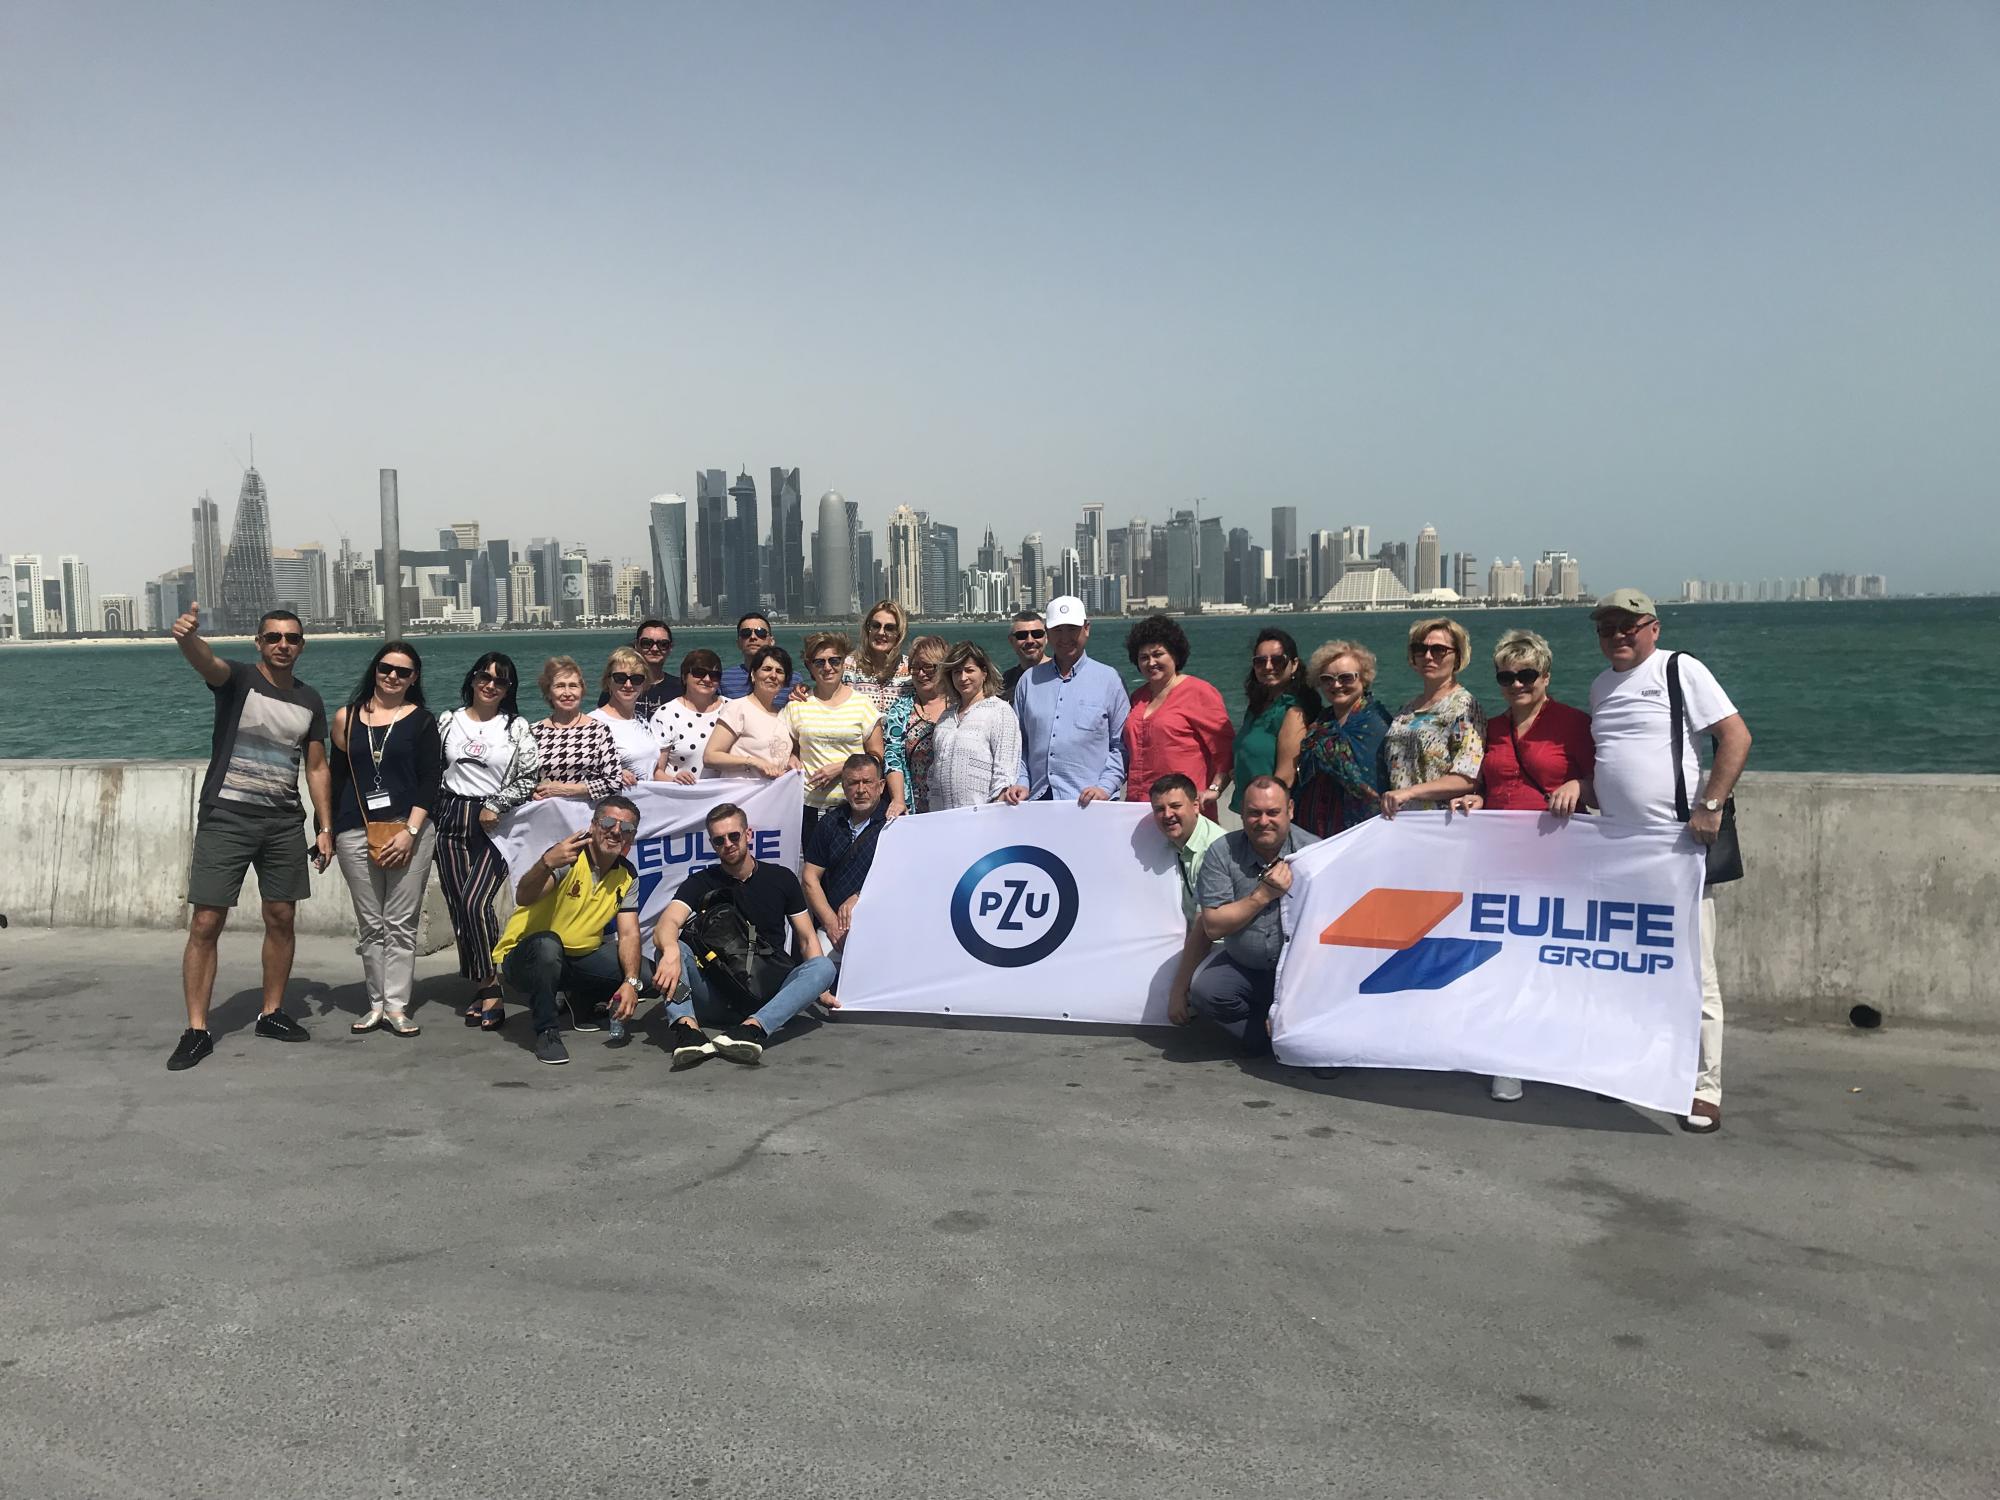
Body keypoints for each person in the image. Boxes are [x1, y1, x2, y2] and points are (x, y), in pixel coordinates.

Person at [1586, 588, 1752, 1135]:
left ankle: (1704, 1088)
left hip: (1677, 847)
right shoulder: (1600, 687)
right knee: (1627, 964)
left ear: (1652, 628)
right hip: (1621, 848)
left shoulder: (1680, 669)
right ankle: (1632, 1065)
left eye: (1628, 626)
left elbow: (1735, 736)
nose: (1618, 635)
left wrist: (1711, 805)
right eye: (1607, 627)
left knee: (1696, 970)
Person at [166, 603, 334, 1072]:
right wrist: (187, 638)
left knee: (281, 916)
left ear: (302, 646)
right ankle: (197, 1029)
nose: (283, 644)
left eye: (292, 638)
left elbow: (316, 766)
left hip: (283, 822)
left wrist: (324, 827)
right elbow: (207, 662)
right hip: (227, 816)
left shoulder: (309, 700)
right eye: (273, 637)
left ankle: (272, 1013)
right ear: (259, 643)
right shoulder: (239, 680)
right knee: (206, 921)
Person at [1447, 629, 1596, 1103]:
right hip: (1499, 861)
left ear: (1545, 676)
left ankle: (1572, 1050)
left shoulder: (1573, 724)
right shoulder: (1490, 728)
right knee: (1505, 958)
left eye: (1527, 675)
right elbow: (1486, 784)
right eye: (1507, 677)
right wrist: (1476, 797)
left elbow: (1605, 783)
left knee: (1553, 959)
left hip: (1556, 859)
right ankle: (1508, 1056)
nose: (1517, 685)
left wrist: (1579, 786)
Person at [648, 802, 840, 1069]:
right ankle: (687, 1031)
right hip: (716, 995)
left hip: (770, 992)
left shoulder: (782, 878)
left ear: (748, 834)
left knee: (823, 967)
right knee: (669, 948)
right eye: (719, 840)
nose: (728, 844)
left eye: (734, 836)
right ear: (712, 844)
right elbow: (667, 922)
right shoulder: (701, 882)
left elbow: (807, 938)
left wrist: (819, 988)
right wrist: (670, 951)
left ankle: (753, 1029)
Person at [330, 641, 442, 1038]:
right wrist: (327, 830)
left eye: (403, 671)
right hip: (355, 830)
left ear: (414, 678)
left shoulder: (422, 721)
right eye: (386, 668)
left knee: (399, 921)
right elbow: (336, 777)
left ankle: (396, 1005)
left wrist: (410, 831)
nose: (393, 676)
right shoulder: (346, 718)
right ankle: (375, 1003)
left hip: (408, 830)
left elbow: (430, 780)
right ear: (375, 670)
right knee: (370, 923)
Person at [491, 795, 647, 1067]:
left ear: (631, 837)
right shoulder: (568, 857)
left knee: (647, 974)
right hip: (527, 959)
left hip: (577, 960)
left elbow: (630, 934)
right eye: (608, 823)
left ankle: (582, 1002)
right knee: (548, 945)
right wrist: (546, 863)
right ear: (593, 825)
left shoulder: (627, 874)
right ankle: (547, 1032)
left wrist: (631, 982)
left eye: (625, 828)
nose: (615, 831)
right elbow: (524, 897)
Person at [1166, 776, 1317, 1055]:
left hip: (1301, 973)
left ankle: (1294, 1032)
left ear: (1290, 810)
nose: (1263, 821)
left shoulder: (1314, 852)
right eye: (1254, 813)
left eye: (1273, 812)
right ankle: (1269, 1036)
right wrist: (1262, 895)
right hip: (1245, 967)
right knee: (1206, 991)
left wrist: (1292, 997)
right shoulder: (1222, 851)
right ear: (1242, 814)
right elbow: (1213, 926)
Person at [436, 652, 541, 1029]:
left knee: (475, 902)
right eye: (484, 676)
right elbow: (431, 769)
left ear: (509, 689)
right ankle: (484, 985)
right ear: (473, 678)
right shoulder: (448, 721)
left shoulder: (516, 727)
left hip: (494, 822)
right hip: (450, 816)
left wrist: (497, 803)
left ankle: (492, 987)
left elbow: (530, 776)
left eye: (500, 680)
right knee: (459, 908)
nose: (490, 684)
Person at [1002, 595, 1129, 806]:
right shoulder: (1028, 681)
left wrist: (1105, 787)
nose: (1065, 637)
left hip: (1092, 804)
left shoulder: (1110, 680)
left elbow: (1121, 745)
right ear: (1048, 633)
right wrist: (1022, 782)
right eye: (1058, 630)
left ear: (1086, 629)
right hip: (1038, 801)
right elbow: (1020, 743)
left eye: (1072, 629)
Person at [1119, 615, 1234, 818]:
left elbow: (1226, 751)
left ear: (1174, 655)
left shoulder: (1198, 692)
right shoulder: (1138, 697)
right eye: (1144, 657)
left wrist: (1215, 789)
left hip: (1184, 811)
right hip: (1139, 810)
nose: (1151, 662)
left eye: (1158, 654)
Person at [1282, 641, 1393, 839]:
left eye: (1346, 677)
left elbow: (1376, 782)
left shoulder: (1377, 722)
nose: (1336, 685)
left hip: (1358, 829)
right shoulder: (1322, 721)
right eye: (1327, 679)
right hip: (1313, 823)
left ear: (1363, 678)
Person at [1380, 617, 1484, 817]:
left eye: (1439, 650)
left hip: (1439, 821)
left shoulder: (1464, 707)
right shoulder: (1406, 710)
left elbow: (1467, 777)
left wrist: (1410, 792)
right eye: (1420, 649)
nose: (1428, 656)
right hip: (1401, 821)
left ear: (1458, 657)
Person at [786, 631, 882, 840]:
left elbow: (876, 756)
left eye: (834, 660)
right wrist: (791, 757)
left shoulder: (862, 704)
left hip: (855, 805)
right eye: (819, 662)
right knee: (813, 861)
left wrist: (842, 767)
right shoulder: (797, 705)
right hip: (810, 806)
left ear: (843, 662)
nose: (828, 667)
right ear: (809, 666)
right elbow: (789, 747)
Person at [800, 753, 889, 964]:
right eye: (853, 783)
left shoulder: (894, 824)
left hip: (883, 926)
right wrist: (831, 924)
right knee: (817, 967)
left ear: (881, 786)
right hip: (836, 927)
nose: (861, 790)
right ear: (844, 786)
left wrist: (861, 895)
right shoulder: (830, 823)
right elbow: (810, 878)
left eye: (867, 782)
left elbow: (902, 879)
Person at [929, 641, 1024, 810]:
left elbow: (1005, 771)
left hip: (982, 816)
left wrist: (995, 810)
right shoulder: (946, 717)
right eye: (957, 672)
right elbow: (935, 770)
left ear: (984, 673)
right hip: (943, 817)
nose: (963, 678)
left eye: (969, 670)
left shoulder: (1000, 710)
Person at [1228, 629, 1311, 816]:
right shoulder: (1257, 707)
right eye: (1260, 661)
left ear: (1294, 665)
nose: (1268, 666)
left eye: (1277, 660)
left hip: (1269, 814)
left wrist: (1263, 816)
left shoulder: (1293, 712)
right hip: (1250, 809)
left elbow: (1285, 778)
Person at [871, 634, 950, 818]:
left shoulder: (959, 705)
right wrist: (898, 799)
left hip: (954, 804)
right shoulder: (901, 710)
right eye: (915, 668)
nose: (921, 674)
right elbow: (893, 757)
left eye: (928, 667)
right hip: (917, 807)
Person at [531, 656, 622, 802]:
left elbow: (614, 781)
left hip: (587, 812)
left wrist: (566, 790)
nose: (567, 693)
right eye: (560, 686)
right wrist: (531, 792)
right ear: (548, 692)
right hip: (546, 811)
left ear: (582, 690)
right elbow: (521, 780)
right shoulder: (533, 732)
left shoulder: (598, 730)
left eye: (573, 686)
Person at [705, 644, 799, 782]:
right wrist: (753, 762)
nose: (773, 675)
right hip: (742, 791)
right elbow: (710, 757)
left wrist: (793, 758)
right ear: (753, 675)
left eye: (779, 671)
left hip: (776, 792)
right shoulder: (738, 708)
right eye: (767, 669)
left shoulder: (784, 714)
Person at [1149, 772, 1223, 922]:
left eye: (1175, 806)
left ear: (1195, 806)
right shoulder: (1157, 840)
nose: (1167, 814)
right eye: (1159, 809)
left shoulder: (1215, 849)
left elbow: (1205, 922)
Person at [589, 647, 666, 785]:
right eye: (620, 678)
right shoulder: (594, 724)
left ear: (644, 684)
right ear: (608, 681)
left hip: (646, 797)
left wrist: (677, 781)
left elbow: (652, 771)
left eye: (636, 679)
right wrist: (615, 773)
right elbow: (584, 772)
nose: (628, 685)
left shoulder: (642, 720)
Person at [648, 648, 724, 783]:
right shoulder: (666, 714)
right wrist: (674, 780)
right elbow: (655, 771)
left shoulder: (732, 709)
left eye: (714, 675)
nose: (707, 679)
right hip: (681, 793)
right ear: (684, 677)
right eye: (699, 673)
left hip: (725, 794)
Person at [842, 600, 911, 713]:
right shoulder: (848, 666)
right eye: (876, 626)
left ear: (899, 634)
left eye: (889, 628)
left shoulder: (911, 669)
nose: (881, 632)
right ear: (868, 628)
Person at [720, 613, 803, 699]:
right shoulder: (723, 679)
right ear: (738, 643)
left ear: (771, 641)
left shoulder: (794, 680)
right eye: (746, 633)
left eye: (760, 632)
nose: (753, 637)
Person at [1000, 609, 1046, 702]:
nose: (1030, 641)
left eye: (1037, 634)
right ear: (1011, 641)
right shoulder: (1005, 682)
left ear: (1047, 637)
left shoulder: (1061, 674)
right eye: (1021, 635)